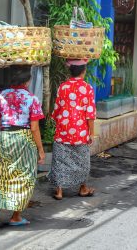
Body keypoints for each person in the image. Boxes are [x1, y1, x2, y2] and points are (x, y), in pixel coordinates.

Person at [0, 65, 45, 230]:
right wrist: (41, 150)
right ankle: (15, 216)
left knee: (2, 175)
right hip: (24, 139)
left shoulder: (2, 95)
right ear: (27, 82)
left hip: (5, 137)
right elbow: (35, 128)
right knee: (25, 177)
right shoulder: (32, 99)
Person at [47, 59, 96, 200]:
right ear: (83, 71)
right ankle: (83, 188)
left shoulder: (62, 87)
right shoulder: (87, 88)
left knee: (60, 160)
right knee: (82, 161)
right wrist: (91, 133)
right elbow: (90, 113)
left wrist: (59, 122)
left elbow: (56, 110)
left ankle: (59, 191)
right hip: (80, 131)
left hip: (63, 129)